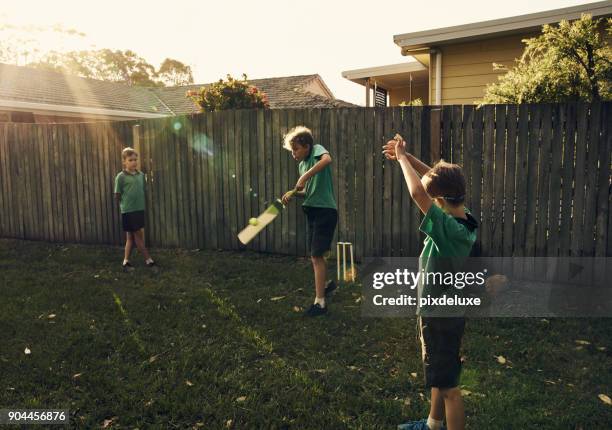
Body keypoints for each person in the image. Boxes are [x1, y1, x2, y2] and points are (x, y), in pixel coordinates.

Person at [383, 136, 478, 430]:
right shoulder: (465, 218)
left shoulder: (447, 228)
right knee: (442, 372)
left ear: (438, 199)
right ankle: (432, 424)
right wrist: (409, 157)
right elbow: (431, 185)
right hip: (450, 310)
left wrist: (400, 159)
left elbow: (418, 194)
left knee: (449, 387)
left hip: (438, 315)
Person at [282, 126, 337, 317]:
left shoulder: (317, 151)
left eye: (295, 149)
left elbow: (327, 160)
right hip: (312, 212)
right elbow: (308, 191)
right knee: (316, 255)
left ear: (306, 145)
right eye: (292, 151)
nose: (294, 154)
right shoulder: (302, 165)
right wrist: (294, 194)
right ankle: (327, 285)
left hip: (325, 211)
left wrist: (305, 176)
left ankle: (320, 303)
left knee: (316, 256)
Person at [114, 147, 156, 272]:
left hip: (139, 209)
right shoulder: (120, 177)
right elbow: (117, 194)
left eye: (135, 160)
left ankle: (126, 261)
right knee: (138, 236)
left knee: (130, 238)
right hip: (128, 211)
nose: (133, 162)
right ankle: (148, 260)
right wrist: (124, 206)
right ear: (124, 162)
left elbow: (144, 190)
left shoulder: (141, 175)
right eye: (130, 160)